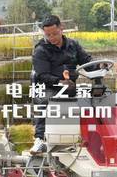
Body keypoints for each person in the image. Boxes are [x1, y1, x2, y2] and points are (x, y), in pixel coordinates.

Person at [30, 15, 96, 154]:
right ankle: (40, 139)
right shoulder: (41, 50)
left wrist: (99, 66)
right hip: (50, 86)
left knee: (99, 97)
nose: (52, 37)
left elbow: (87, 61)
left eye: (55, 33)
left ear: (61, 29)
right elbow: (42, 75)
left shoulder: (73, 45)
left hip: (71, 86)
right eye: (48, 35)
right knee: (45, 100)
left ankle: (93, 136)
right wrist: (60, 82)